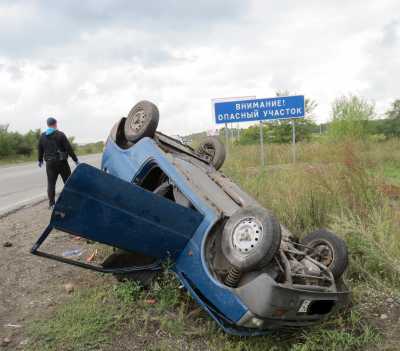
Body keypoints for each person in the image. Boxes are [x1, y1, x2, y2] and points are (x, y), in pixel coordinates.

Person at [38, 117, 79, 208]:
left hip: (49, 163)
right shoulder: (60, 135)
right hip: (62, 162)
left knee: (51, 183)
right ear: (55, 124)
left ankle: (52, 204)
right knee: (68, 182)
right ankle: (72, 201)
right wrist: (75, 159)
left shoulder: (42, 136)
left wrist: (40, 160)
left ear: (47, 124)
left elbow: (40, 149)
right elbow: (69, 148)